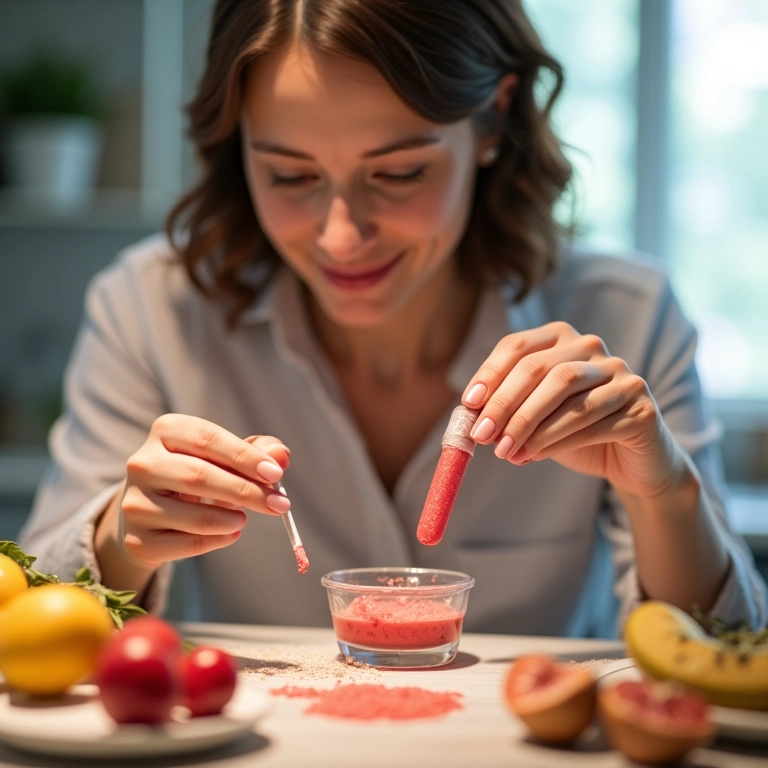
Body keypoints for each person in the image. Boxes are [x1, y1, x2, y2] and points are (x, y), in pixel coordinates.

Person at [20, 0, 766, 637]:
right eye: (289, 174)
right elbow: (29, 611)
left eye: (400, 172)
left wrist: (663, 491)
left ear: (493, 119)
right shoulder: (150, 307)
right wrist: (122, 532)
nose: (341, 237)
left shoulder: (627, 314)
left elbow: (735, 651)